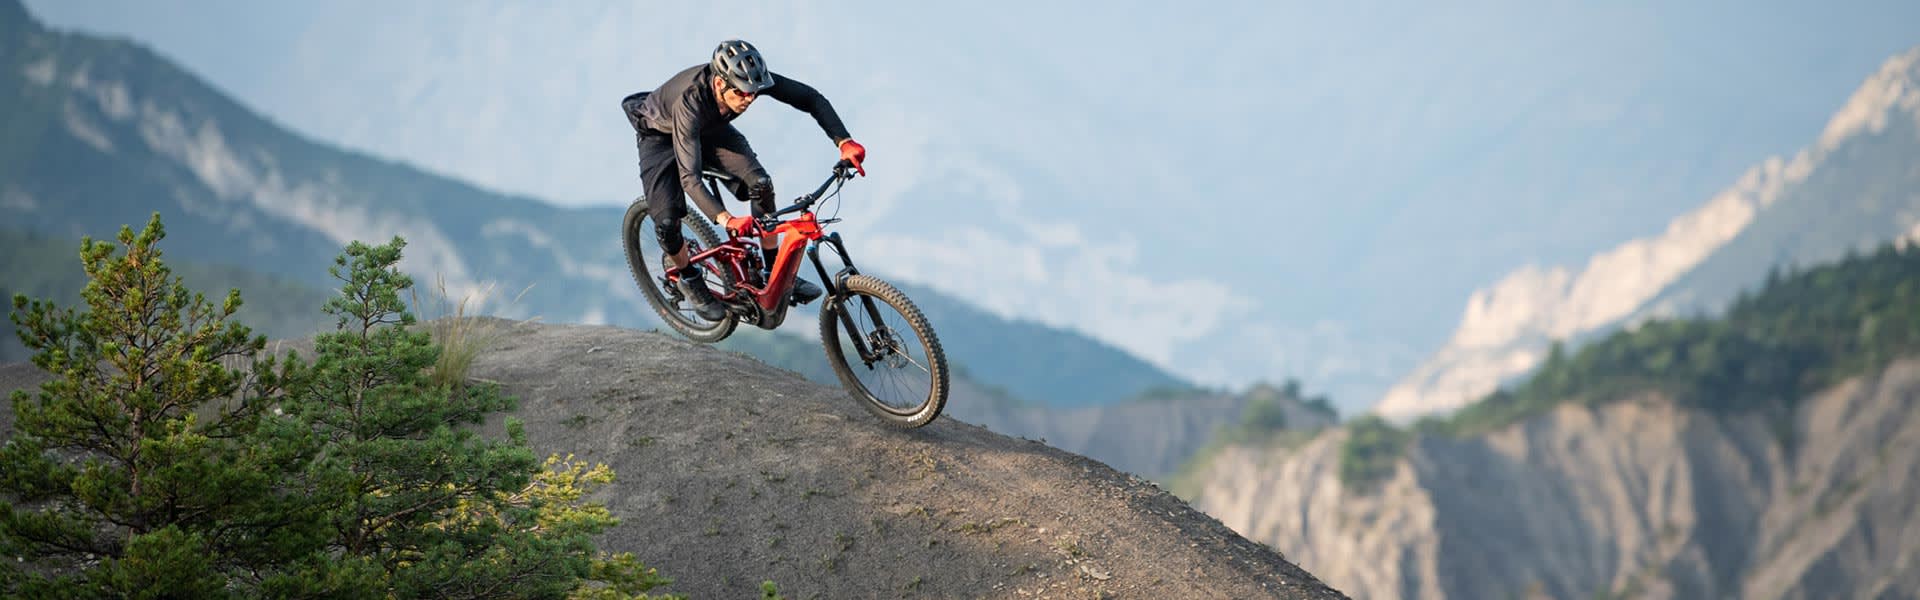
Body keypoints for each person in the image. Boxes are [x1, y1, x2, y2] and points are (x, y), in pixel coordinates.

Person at [622, 39, 866, 321]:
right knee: (666, 222)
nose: (749, 99)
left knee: (760, 184)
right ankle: (688, 276)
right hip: (660, 136)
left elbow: (811, 99)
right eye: (741, 93)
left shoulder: (748, 82)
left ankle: (771, 272)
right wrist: (726, 219)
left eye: (754, 93)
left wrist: (844, 141)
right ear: (719, 83)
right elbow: (689, 178)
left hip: (709, 129)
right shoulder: (690, 101)